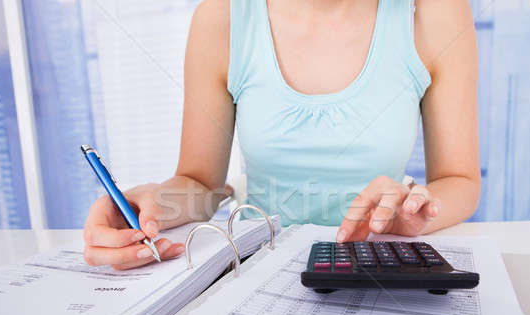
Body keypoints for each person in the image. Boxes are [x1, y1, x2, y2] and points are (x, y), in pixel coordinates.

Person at [83, 0, 480, 270]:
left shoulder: (434, 13)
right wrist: (153, 203)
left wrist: (414, 214)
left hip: (378, 266)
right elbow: (200, 184)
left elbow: (461, 181)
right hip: (258, 268)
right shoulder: (222, 19)